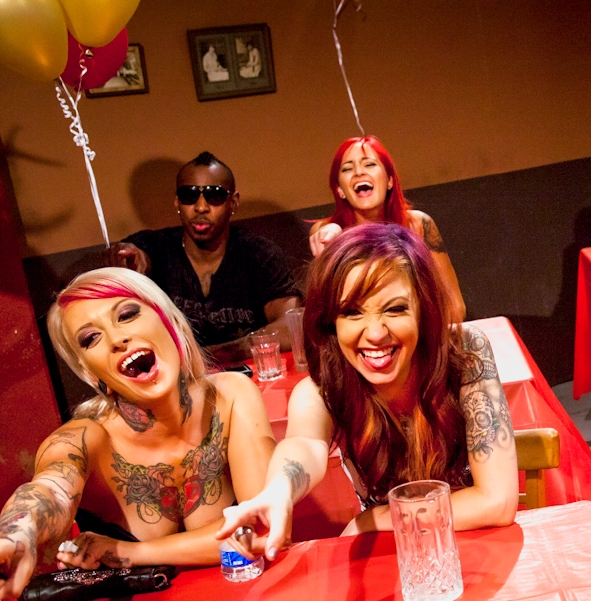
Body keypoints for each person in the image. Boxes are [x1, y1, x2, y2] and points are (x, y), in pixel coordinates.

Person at [0, 268, 274, 601]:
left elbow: (262, 530)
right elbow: (50, 490)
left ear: (168, 320)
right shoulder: (86, 438)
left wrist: (126, 552)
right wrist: (16, 533)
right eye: (91, 339)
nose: (116, 339)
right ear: (89, 371)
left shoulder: (230, 397)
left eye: (126, 315)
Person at [219, 223, 516, 560]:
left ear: (424, 310)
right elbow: (304, 446)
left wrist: (373, 519)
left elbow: (497, 502)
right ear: (331, 321)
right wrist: (279, 491)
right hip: (394, 557)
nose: (375, 333)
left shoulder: (463, 354)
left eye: (395, 309)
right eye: (352, 312)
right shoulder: (323, 390)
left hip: (479, 546)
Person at [102, 151, 301, 363]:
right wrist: (128, 262)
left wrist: (214, 356)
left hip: (249, 374)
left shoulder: (259, 254)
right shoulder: (155, 248)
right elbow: (133, 255)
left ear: (233, 202)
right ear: (177, 202)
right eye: (189, 196)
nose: (201, 207)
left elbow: (292, 326)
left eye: (214, 196)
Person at [308, 136, 466, 323]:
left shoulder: (418, 225)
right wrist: (335, 238)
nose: (359, 172)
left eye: (369, 164)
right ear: (340, 190)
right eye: (348, 169)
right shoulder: (328, 232)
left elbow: (455, 307)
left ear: (389, 180)